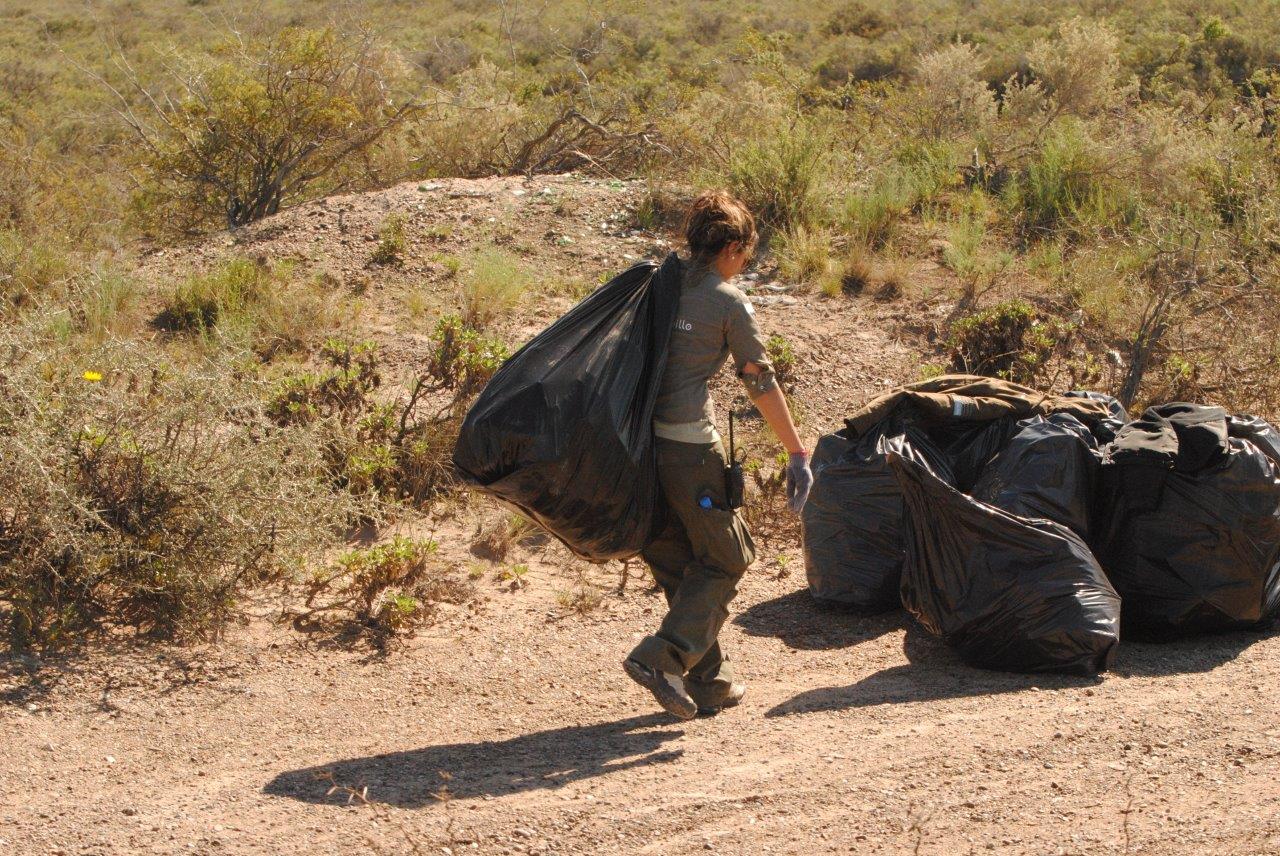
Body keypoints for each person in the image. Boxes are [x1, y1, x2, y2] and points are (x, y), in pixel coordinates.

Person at [623, 190, 813, 720]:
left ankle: (710, 684)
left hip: (638, 452)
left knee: (679, 560)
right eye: (747, 251)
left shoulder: (655, 285)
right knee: (729, 556)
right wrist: (796, 451)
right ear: (731, 247)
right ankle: (660, 659)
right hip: (688, 448)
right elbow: (759, 382)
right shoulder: (727, 301)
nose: (746, 262)